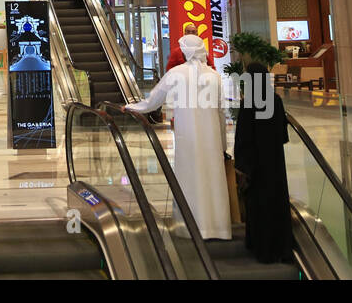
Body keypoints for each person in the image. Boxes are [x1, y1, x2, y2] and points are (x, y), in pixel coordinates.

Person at [125, 25, 231, 240]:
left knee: (190, 176)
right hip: (211, 139)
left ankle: (189, 227)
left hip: (187, 137)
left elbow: (152, 102)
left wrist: (129, 107)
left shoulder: (176, 74)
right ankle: (218, 228)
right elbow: (221, 112)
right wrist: (222, 143)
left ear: (184, 50)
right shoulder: (214, 76)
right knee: (213, 177)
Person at [233, 62, 293, 264]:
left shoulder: (249, 103)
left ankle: (262, 249)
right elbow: (284, 135)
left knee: (259, 205)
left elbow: (243, 137)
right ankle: (282, 249)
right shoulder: (275, 101)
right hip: (275, 163)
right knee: (277, 203)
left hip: (255, 166)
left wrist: (242, 165)